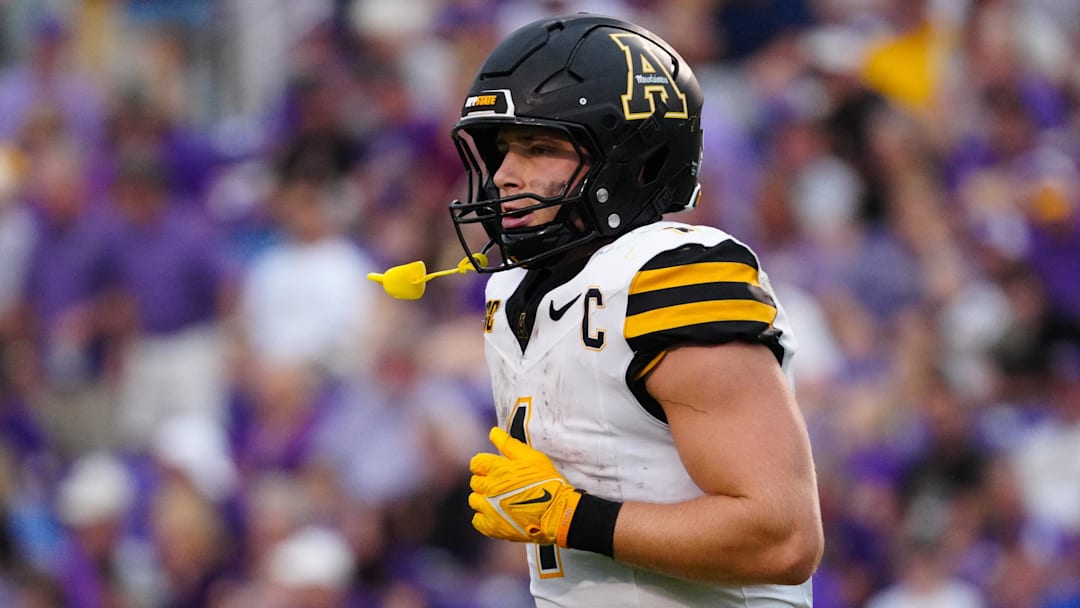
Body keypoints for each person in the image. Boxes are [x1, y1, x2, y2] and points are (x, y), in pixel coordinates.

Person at [447, 14, 824, 606]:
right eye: (502, 150)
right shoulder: (512, 292)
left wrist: (571, 518)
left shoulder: (670, 277)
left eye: (539, 147)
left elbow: (782, 537)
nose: (505, 177)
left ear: (632, 159)